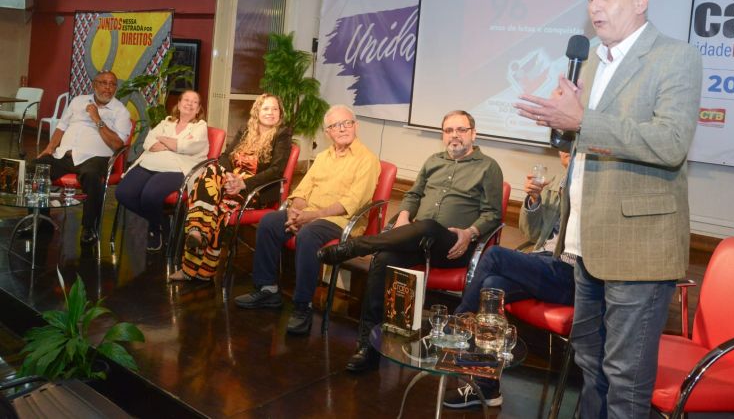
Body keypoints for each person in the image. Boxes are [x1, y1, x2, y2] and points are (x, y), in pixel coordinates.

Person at [515, 0, 702, 418]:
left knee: (625, 379)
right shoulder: (594, 64)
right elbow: (587, 140)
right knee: (589, 365)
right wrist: (564, 123)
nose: (595, 6)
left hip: (638, 247)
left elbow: (671, 143)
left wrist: (583, 121)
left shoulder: (675, 57)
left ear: (640, 0)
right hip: (585, 243)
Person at [318, 110, 504, 374]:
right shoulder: (433, 161)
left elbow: (493, 214)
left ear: (473, 133)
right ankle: (367, 347)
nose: (454, 135)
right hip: (418, 242)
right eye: (449, 130)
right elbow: (413, 195)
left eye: (461, 130)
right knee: (383, 258)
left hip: (454, 246)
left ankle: (356, 247)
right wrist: (404, 216)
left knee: (427, 225)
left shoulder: (488, 167)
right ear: (443, 135)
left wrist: (470, 232)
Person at [443, 151, 575, 409]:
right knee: (492, 286)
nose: (567, 151)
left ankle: (454, 326)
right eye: (564, 146)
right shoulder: (556, 185)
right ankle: (487, 387)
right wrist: (534, 200)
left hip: (569, 272)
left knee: (494, 255)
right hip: (543, 262)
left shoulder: (590, 188)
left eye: (573, 143)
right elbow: (531, 233)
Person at [233, 104, 380, 335]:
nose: (342, 129)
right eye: (335, 126)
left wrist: (309, 217)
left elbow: (349, 204)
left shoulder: (367, 160)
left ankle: (303, 306)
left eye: (347, 123)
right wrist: (295, 212)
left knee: (308, 234)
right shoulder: (322, 157)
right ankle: (268, 290)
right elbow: (302, 191)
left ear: (356, 126)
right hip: (309, 214)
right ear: (328, 132)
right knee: (270, 222)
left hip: (340, 221)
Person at [169, 94, 292, 283]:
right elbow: (226, 157)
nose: (270, 112)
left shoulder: (282, 134)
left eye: (275, 109)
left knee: (219, 206)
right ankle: (197, 236)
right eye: (266, 108)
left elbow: (276, 170)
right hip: (229, 180)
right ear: (257, 111)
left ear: (280, 113)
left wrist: (243, 184)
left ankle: (198, 267)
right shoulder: (246, 129)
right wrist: (228, 176)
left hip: (254, 190)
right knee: (211, 172)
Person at [35, 70, 132, 245]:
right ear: (94, 85)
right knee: (36, 167)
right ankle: (41, 220)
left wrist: (97, 119)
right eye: (104, 83)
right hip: (65, 155)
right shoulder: (78, 101)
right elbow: (62, 126)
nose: (108, 88)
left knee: (92, 175)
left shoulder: (121, 112)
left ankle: (89, 228)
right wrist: (49, 148)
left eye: (112, 84)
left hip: (95, 158)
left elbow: (118, 145)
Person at [115, 90, 209, 251]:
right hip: (150, 163)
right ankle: (161, 221)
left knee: (150, 195)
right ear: (179, 104)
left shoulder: (200, 127)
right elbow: (149, 142)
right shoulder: (166, 122)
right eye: (186, 100)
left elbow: (189, 147)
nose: (189, 104)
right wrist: (173, 144)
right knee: (123, 193)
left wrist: (164, 141)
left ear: (199, 108)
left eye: (194, 102)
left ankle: (154, 229)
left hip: (179, 168)